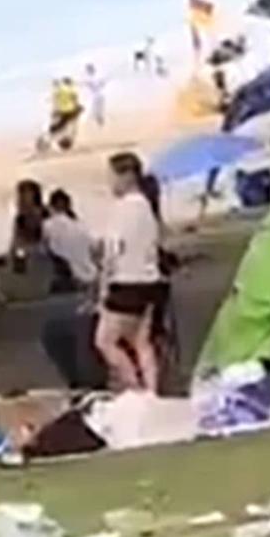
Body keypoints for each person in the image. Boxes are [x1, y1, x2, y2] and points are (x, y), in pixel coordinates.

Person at [94, 152, 163, 392]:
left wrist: (102, 291)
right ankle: (152, 391)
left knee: (105, 341)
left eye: (112, 177)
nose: (110, 183)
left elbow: (112, 252)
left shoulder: (123, 209)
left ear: (125, 177)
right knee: (141, 342)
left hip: (126, 282)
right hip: (151, 281)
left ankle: (134, 388)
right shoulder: (147, 205)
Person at [44, 188, 97, 290]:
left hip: (68, 280)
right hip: (90, 277)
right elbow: (95, 250)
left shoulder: (47, 226)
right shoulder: (82, 227)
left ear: (51, 207)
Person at [49, 77, 82, 151]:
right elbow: (75, 100)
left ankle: (57, 139)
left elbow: (55, 101)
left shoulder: (58, 90)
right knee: (71, 126)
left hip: (62, 111)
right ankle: (66, 141)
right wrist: (78, 108)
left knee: (60, 126)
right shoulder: (72, 89)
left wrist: (54, 110)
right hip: (71, 110)